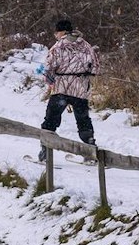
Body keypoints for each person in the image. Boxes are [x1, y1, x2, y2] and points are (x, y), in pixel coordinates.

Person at [40, 18, 99, 151]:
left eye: (56, 32)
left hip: (61, 89)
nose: (55, 35)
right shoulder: (86, 46)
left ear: (62, 32)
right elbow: (95, 68)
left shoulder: (57, 47)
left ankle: (45, 149)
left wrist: (50, 81)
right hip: (80, 90)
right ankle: (90, 147)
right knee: (83, 120)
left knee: (51, 119)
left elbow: (48, 69)